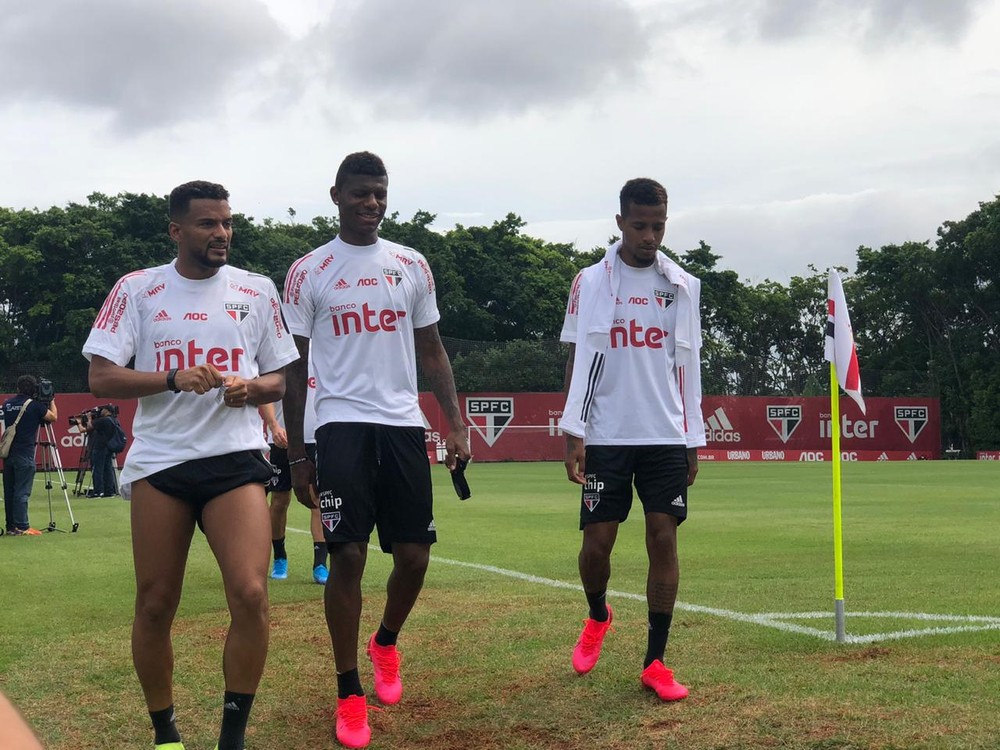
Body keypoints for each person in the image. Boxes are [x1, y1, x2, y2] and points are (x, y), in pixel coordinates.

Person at [81, 180, 299, 750]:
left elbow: (279, 376)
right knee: (155, 603)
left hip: (234, 460)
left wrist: (251, 389)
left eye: (226, 222)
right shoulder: (138, 289)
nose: (221, 233)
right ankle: (166, 734)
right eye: (207, 223)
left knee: (251, 594)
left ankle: (233, 736)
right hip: (161, 463)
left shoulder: (255, 290)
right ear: (176, 230)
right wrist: (172, 378)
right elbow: (101, 376)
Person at [282, 151, 471, 749]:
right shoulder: (309, 271)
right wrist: (299, 454)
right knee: (349, 558)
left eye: (379, 193)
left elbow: (433, 350)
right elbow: (294, 369)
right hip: (339, 427)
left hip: (402, 425)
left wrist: (457, 425)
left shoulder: (411, 264)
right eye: (360, 193)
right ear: (336, 195)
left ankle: (385, 641)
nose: (371, 203)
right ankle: (348, 691)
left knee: (414, 557)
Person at [560, 178, 705, 702]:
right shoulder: (589, 282)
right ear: (620, 222)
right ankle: (598, 613)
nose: (650, 236)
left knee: (663, 538)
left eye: (658, 226)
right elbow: (577, 359)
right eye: (640, 225)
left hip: (664, 433)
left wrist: (693, 437)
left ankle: (656, 660)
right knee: (597, 544)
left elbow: (688, 364)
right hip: (606, 434)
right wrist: (572, 429)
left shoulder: (683, 285)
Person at [258, 365, 329, 584]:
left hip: (316, 440)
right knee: (280, 500)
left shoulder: (321, 353)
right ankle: (280, 557)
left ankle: (320, 564)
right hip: (282, 439)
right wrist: (273, 424)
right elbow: (265, 394)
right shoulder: (280, 359)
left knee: (317, 500)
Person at [2, 375, 58, 535]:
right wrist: (51, 399)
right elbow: (53, 417)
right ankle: (22, 526)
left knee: (10, 491)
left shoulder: (7, 404)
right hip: (25, 453)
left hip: (8, 453)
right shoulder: (34, 406)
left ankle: (11, 526)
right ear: (34, 389)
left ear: (18, 388)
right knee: (22, 491)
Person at [81, 406, 119, 497]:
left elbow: (90, 427)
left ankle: (98, 491)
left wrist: (89, 418)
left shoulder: (103, 420)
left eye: (103, 409)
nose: (101, 411)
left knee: (97, 470)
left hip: (100, 447)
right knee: (108, 469)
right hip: (109, 447)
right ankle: (109, 491)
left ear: (107, 411)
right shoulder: (114, 420)